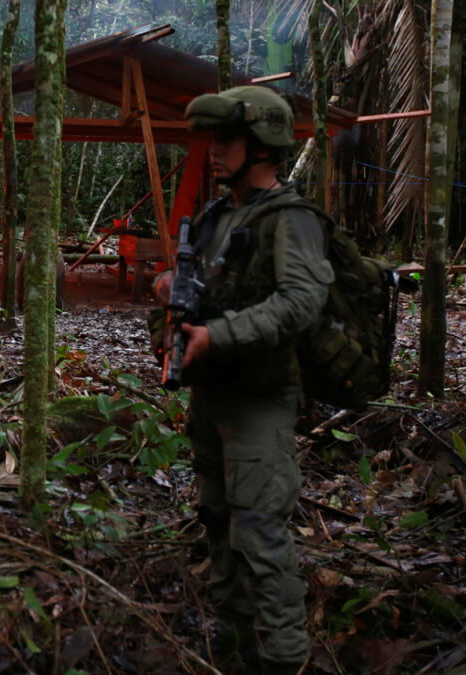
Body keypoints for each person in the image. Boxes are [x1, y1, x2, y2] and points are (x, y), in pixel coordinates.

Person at [154, 86, 333, 674]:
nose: (215, 151)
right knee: (218, 521)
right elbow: (211, 289)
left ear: (261, 147)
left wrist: (218, 336)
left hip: (259, 401)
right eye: (215, 140)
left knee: (260, 537)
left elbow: (302, 301)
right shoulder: (220, 215)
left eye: (227, 141)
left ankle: (286, 659)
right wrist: (170, 291)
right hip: (213, 395)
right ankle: (233, 648)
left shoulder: (292, 219)